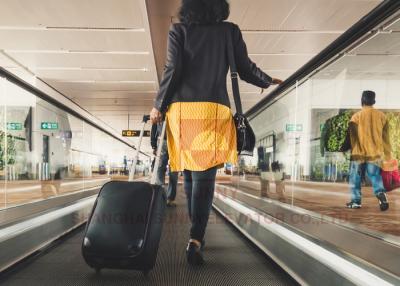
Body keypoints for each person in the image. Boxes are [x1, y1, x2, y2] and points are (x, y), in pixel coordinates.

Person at [150, 0, 282, 265]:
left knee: (188, 168)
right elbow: (244, 67)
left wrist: (158, 105)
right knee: (205, 175)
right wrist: (266, 80)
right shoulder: (229, 31)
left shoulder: (179, 31)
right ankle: (196, 236)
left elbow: (172, 70)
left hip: (183, 113)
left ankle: (194, 226)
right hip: (212, 112)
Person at [345, 90, 391, 211]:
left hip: (359, 154)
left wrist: (345, 149)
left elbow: (352, 137)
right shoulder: (382, 116)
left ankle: (356, 201)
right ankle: (381, 194)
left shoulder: (356, 117)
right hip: (375, 154)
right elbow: (386, 138)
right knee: (375, 176)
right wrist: (387, 155)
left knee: (355, 177)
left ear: (362, 100)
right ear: (373, 101)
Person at [150, 122, 178, 207]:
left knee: (173, 171)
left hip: (175, 142)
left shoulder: (177, 109)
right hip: (162, 141)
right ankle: (160, 196)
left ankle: (170, 198)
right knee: (160, 169)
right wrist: (154, 145)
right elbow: (154, 127)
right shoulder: (160, 110)